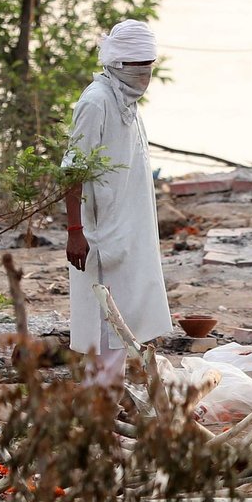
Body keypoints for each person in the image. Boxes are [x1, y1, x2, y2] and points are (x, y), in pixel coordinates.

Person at [62, 20, 172, 388]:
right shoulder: (96, 102)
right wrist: (75, 231)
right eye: (137, 69)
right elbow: (73, 170)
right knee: (104, 323)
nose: (143, 77)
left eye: (148, 68)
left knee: (126, 319)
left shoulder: (128, 102)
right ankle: (99, 409)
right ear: (116, 63)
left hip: (131, 228)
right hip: (101, 232)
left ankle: (107, 402)